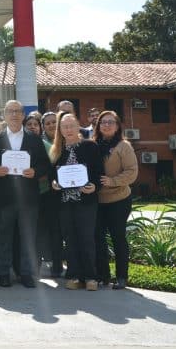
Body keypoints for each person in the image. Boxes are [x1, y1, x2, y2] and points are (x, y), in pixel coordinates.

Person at [0, 100, 50, 288]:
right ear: (4, 115)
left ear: (22, 115)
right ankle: (4, 272)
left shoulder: (34, 139)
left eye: (17, 111)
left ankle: (26, 273)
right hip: (4, 198)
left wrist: (35, 172)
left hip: (28, 197)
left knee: (28, 236)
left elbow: (45, 164)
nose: (13, 115)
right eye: (10, 111)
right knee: (4, 236)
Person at [49, 111, 104, 291]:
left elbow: (98, 172)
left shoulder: (90, 146)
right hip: (64, 202)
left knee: (87, 238)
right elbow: (52, 176)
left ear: (78, 126)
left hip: (86, 201)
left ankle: (90, 277)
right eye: (64, 126)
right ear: (61, 130)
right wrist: (54, 184)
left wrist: (95, 186)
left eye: (71, 125)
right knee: (70, 239)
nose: (68, 129)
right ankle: (73, 275)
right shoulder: (57, 150)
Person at [93, 110, 138, 289]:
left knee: (118, 238)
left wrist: (113, 181)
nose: (106, 125)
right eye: (103, 122)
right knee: (98, 239)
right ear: (98, 126)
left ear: (117, 125)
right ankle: (103, 275)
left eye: (111, 122)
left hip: (119, 200)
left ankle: (121, 277)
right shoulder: (92, 145)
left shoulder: (123, 146)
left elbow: (132, 171)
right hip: (97, 200)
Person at [37, 111, 63, 277]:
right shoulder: (40, 144)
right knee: (40, 230)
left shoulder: (67, 141)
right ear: (43, 127)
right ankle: (37, 264)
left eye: (54, 122)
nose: (51, 125)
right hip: (44, 192)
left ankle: (58, 265)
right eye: (47, 123)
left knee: (57, 231)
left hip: (63, 194)